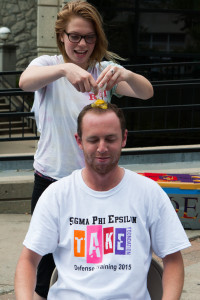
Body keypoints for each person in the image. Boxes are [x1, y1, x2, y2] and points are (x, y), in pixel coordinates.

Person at [19, 1, 153, 298]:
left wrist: (126, 75)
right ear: (62, 36)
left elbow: (146, 92)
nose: (82, 44)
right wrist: (64, 69)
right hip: (52, 180)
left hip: (98, 184)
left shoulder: (104, 71)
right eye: (75, 36)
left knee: (96, 260)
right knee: (43, 266)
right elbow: (25, 82)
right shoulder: (47, 65)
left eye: (89, 37)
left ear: (98, 39)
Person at [15, 101, 191, 300]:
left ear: (124, 138)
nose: (102, 148)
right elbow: (28, 260)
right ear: (79, 141)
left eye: (110, 139)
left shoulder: (149, 192)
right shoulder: (57, 195)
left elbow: (173, 259)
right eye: (93, 140)